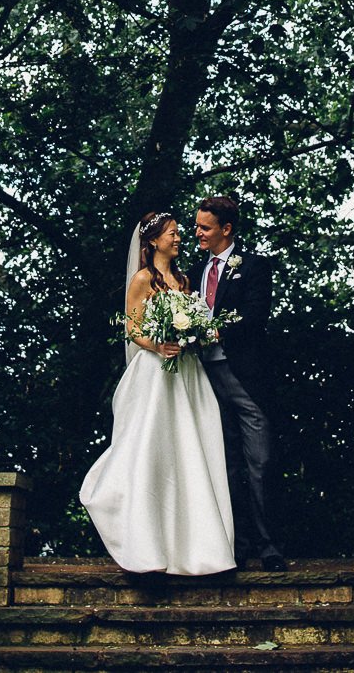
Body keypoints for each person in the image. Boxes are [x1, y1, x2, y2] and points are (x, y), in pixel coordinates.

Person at [79, 211, 236, 575]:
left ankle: (197, 548)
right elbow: (133, 329)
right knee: (153, 451)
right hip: (155, 373)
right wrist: (158, 344)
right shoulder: (142, 279)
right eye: (173, 234)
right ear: (153, 241)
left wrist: (191, 334)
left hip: (187, 374)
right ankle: (144, 543)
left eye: (180, 233)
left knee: (191, 451)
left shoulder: (183, 279)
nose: (179, 239)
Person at [192, 194, 286, 570]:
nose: (197, 232)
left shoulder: (256, 266)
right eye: (197, 225)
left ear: (226, 229)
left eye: (205, 227)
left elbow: (254, 318)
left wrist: (211, 332)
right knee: (223, 464)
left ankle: (270, 547)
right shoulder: (194, 272)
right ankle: (235, 545)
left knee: (260, 462)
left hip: (244, 377)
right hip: (203, 380)